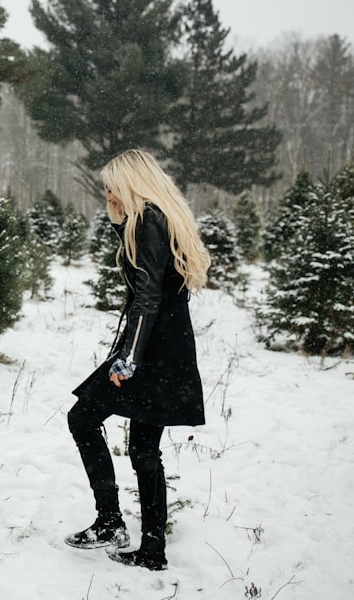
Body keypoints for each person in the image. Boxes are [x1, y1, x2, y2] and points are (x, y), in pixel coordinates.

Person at [65, 149, 210, 571]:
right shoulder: (158, 216)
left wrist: (128, 358)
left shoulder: (148, 220)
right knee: (145, 447)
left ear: (132, 182)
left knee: (83, 420)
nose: (107, 192)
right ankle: (150, 548)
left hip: (150, 348)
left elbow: (146, 295)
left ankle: (113, 523)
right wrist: (117, 222)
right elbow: (152, 278)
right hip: (168, 344)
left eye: (113, 185)